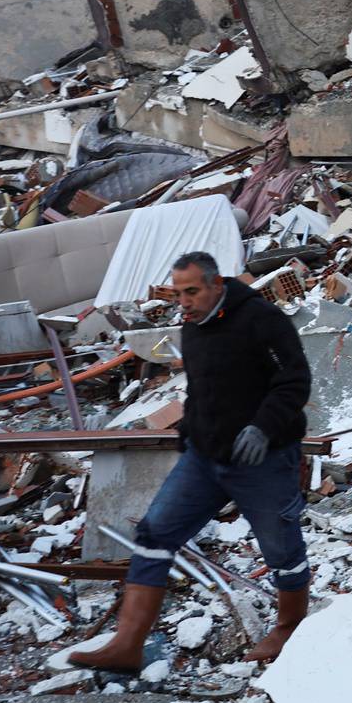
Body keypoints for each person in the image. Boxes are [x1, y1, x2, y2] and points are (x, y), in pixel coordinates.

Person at [69, 252, 313, 673]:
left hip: (263, 460)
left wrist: (263, 428)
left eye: (192, 291)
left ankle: (290, 628)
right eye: (178, 292)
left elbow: (294, 381)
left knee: (281, 549)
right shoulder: (192, 326)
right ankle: (127, 644)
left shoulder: (262, 320)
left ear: (217, 284)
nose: (183, 301)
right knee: (154, 533)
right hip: (204, 459)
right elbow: (200, 387)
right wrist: (189, 432)